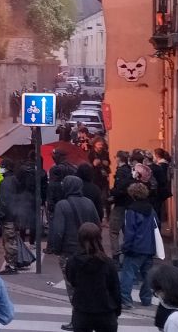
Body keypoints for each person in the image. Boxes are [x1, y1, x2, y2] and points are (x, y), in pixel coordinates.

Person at [49, 175, 101, 331]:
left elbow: (58, 230)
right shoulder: (89, 203)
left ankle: (78, 320)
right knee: (88, 285)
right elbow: (97, 224)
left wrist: (56, 249)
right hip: (89, 250)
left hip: (69, 252)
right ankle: (89, 318)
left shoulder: (62, 205)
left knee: (72, 288)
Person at [66, 222, 121, 332]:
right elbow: (115, 288)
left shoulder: (73, 261)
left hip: (82, 310)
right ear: (99, 238)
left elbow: (72, 281)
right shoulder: (108, 263)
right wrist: (117, 310)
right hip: (105, 310)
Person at [119, 182, 157, 309]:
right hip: (150, 247)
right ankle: (146, 299)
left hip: (135, 247)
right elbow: (157, 227)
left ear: (132, 194)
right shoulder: (151, 209)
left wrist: (126, 247)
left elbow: (130, 231)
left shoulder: (131, 210)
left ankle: (126, 300)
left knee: (128, 273)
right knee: (147, 275)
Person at [0, 158, 20, 275]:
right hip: (14, 214)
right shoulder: (14, 179)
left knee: (9, 241)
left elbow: (4, 200)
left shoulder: (5, 182)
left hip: (8, 216)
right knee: (12, 239)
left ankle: (11, 265)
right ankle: (13, 263)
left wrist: (0, 214)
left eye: (1, 166)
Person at [88, 137, 110, 221]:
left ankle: (107, 216)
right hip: (95, 177)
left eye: (101, 144)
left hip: (104, 177)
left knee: (105, 197)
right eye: (99, 144)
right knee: (97, 196)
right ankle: (97, 215)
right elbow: (89, 165)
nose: (100, 146)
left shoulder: (105, 153)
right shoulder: (91, 153)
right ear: (94, 145)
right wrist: (93, 164)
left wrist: (106, 163)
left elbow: (109, 162)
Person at [154, 148, 173, 222]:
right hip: (163, 189)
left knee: (158, 208)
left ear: (157, 155)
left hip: (160, 190)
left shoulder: (161, 165)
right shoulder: (163, 164)